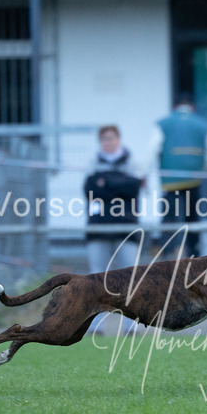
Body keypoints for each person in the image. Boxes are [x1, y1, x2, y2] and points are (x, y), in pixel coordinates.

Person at [83, 124, 143, 334]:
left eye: (112, 138)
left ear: (119, 139)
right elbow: (90, 190)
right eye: (104, 139)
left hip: (126, 227)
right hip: (98, 227)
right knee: (97, 277)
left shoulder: (132, 162)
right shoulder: (92, 163)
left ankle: (131, 325)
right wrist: (118, 185)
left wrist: (105, 183)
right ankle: (95, 326)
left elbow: (133, 188)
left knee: (130, 277)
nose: (108, 142)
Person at [149, 93, 207, 258]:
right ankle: (194, 253)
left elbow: (153, 148)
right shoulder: (203, 124)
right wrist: (202, 169)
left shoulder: (163, 123)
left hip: (169, 180)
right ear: (193, 107)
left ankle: (166, 253)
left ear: (174, 107)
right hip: (193, 179)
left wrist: (148, 173)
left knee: (169, 217)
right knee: (192, 217)